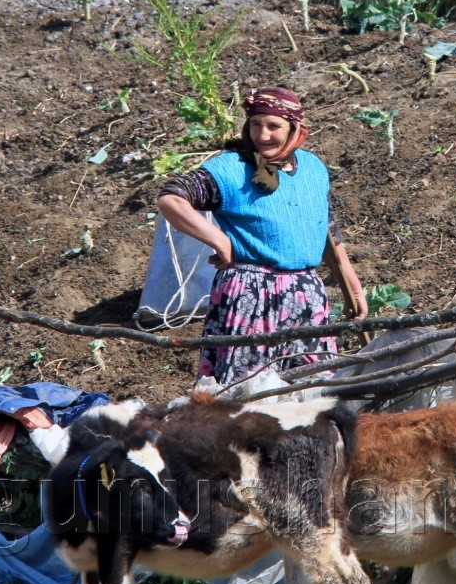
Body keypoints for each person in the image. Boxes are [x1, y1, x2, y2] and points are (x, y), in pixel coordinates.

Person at [157, 86, 368, 385]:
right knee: (246, 390)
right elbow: (171, 198)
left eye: (273, 126)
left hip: (306, 296)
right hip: (251, 295)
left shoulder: (313, 168)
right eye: (255, 124)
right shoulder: (230, 168)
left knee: (314, 388)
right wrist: (220, 240)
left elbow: (325, 230)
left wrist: (353, 287)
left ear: (296, 128)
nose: (263, 135)